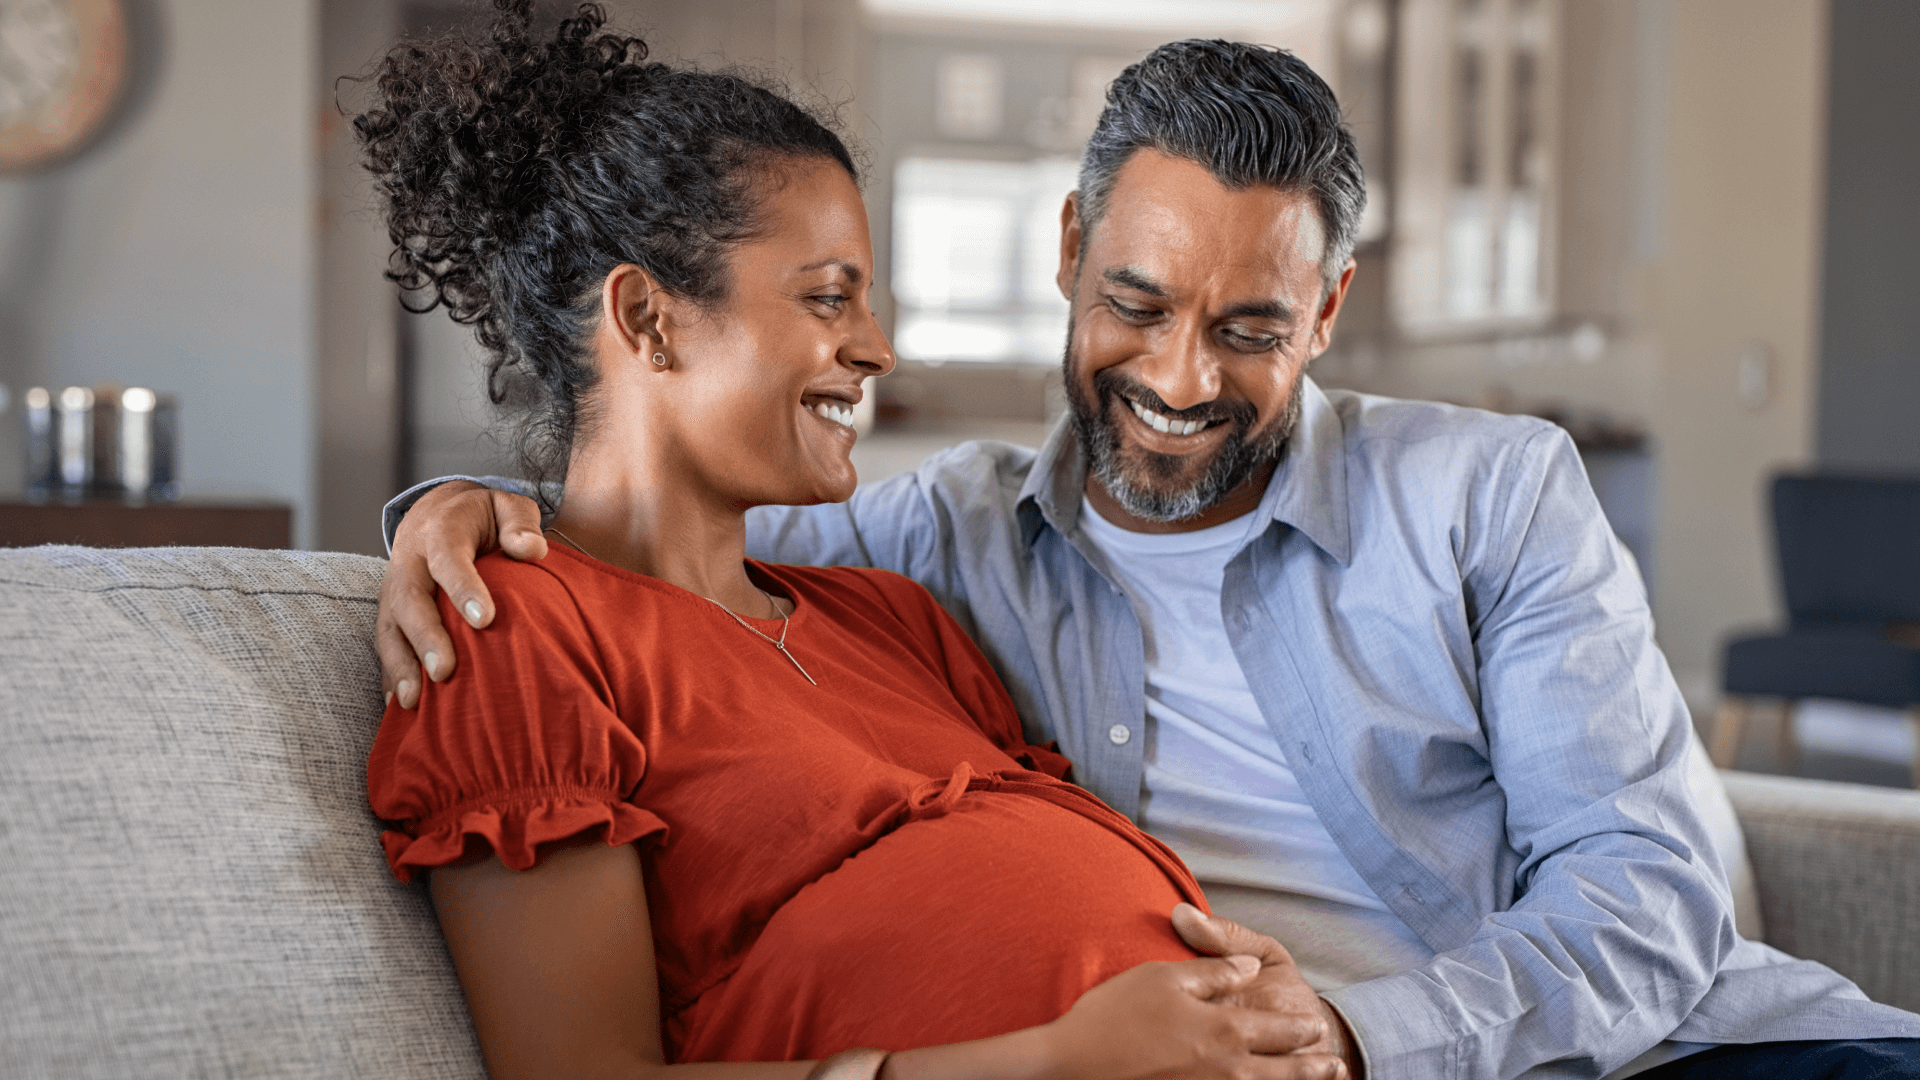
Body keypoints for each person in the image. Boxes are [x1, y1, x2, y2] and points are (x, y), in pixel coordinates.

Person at [379, 31, 1920, 1080]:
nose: (1182, 379)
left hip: (1653, 1055)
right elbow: (637, 525)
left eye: (1251, 327)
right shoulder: (944, 534)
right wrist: (455, 510)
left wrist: (1354, 1035)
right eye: (1136, 303)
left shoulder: (1489, 495)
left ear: (1325, 314)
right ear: (1066, 251)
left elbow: (1648, 895)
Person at [356, 5, 1355, 1080]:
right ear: (647, 321)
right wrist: (1056, 1058)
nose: (875, 348)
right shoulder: (518, 638)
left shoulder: (891, 614)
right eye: (831, 299)